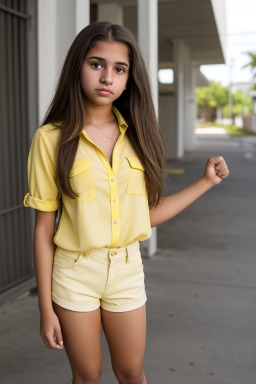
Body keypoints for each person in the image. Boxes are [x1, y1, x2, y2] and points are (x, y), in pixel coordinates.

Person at [23, 21, 229, 384]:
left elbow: (145, 216)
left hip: (126, 271)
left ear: (129, 78)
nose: (107, 77)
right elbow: (43, 230)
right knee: (87, 376)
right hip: (74, 273)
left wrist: (205, 182)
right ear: (78, 67)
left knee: (132, 373)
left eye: (119, 69)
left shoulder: (139, 135)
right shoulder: (51, 139)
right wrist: (45, 308)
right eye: (96, 64)